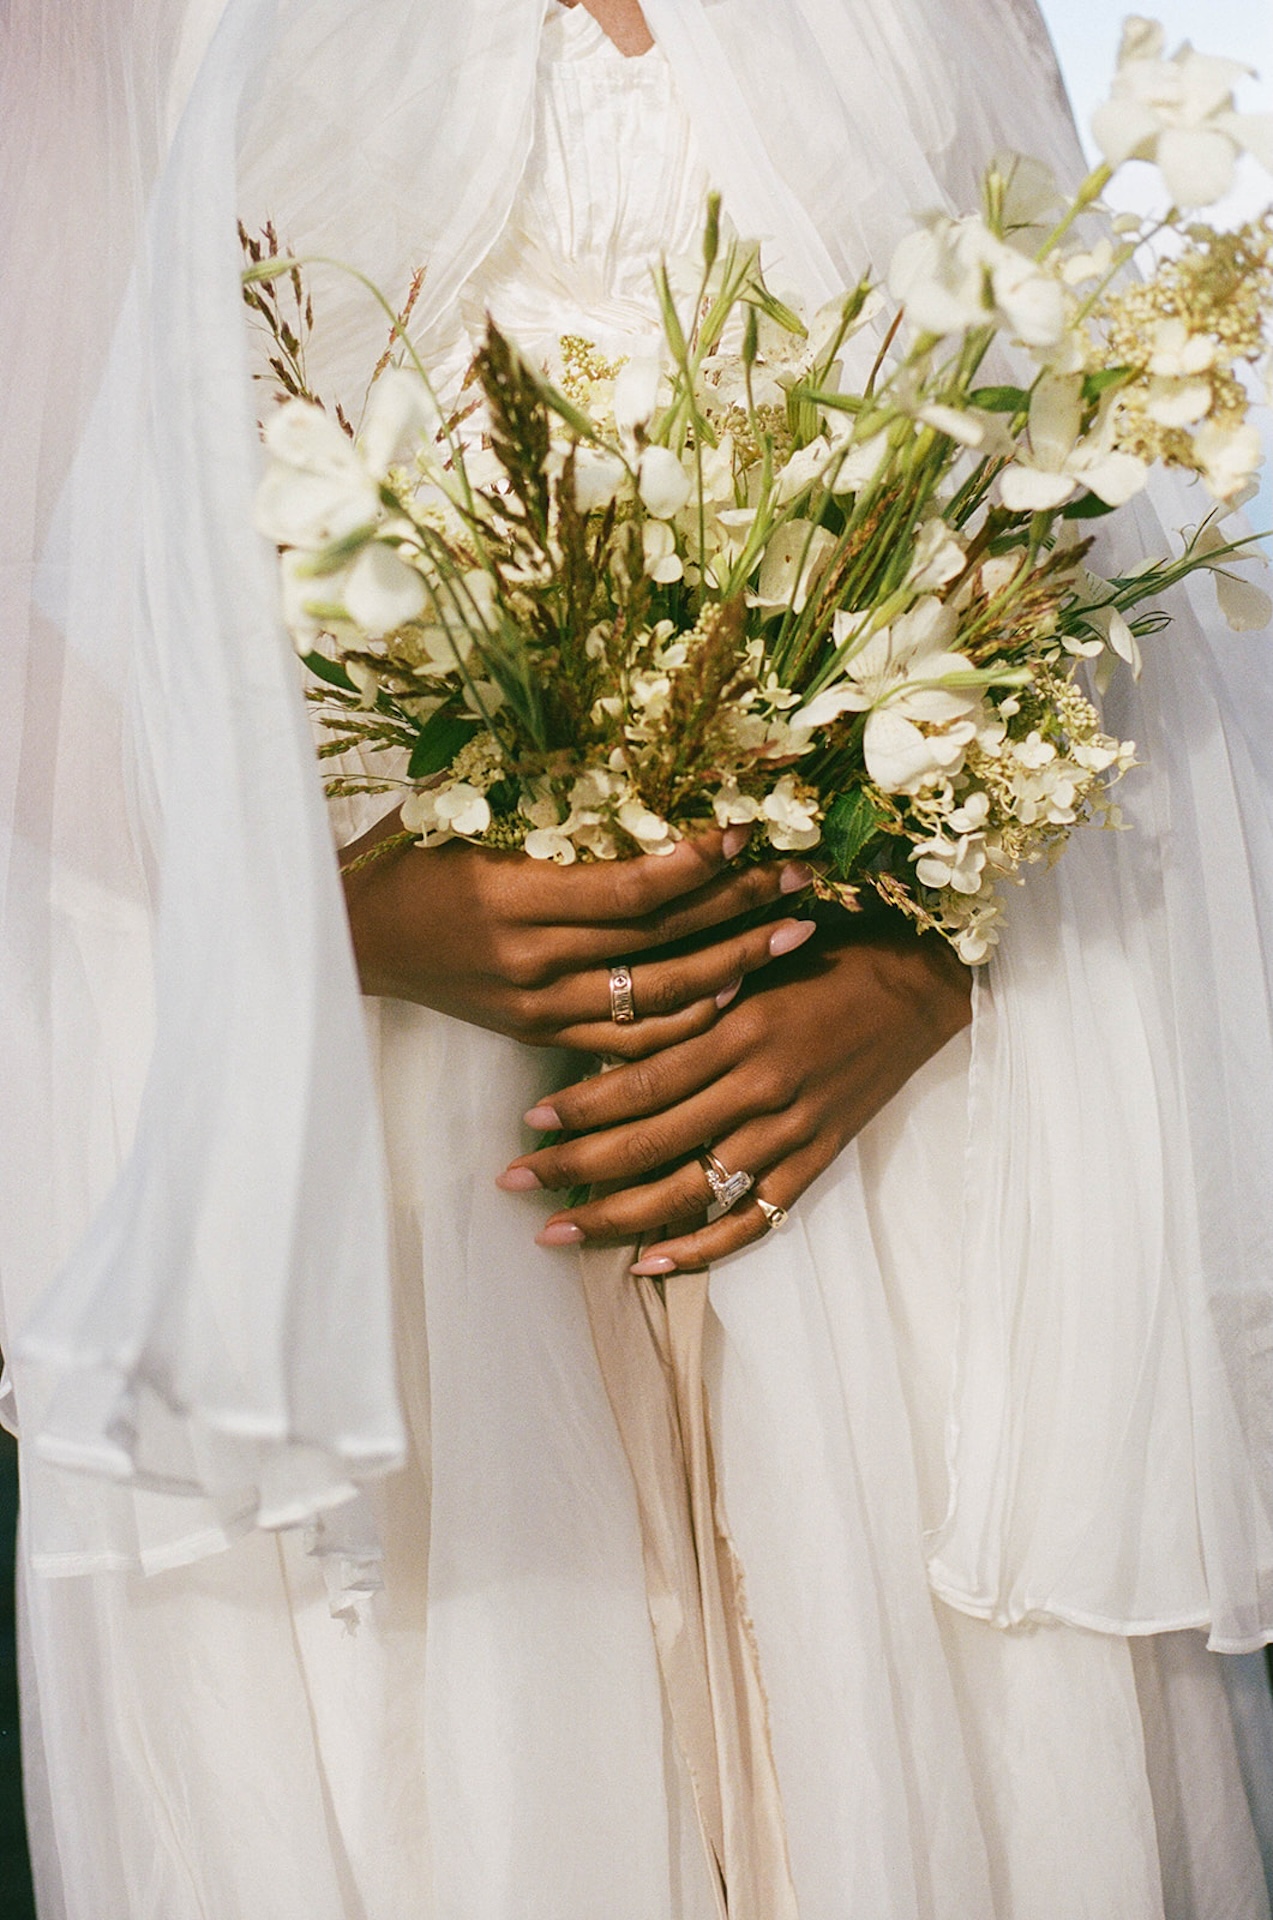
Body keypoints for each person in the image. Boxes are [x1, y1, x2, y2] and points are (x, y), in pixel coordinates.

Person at [2, 0, 1272, 1914]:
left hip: (857, 1122)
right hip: (382, 1134)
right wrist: (342, 905)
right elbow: (40, 568)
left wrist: (925, 971)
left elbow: (1068, 497)